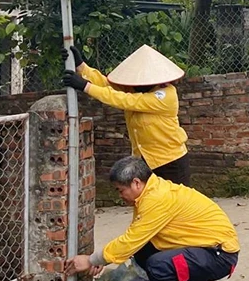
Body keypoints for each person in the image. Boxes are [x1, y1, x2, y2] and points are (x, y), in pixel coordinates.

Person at [65, 156, 239, 281]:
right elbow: (136, 237)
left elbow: (131, 240)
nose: (120, 196)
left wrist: (91, 260)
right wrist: (102, 259)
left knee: (158, 266)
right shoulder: (150, 192)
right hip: (203, 250)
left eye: (121, 190)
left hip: (220, 255)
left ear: (136, 183)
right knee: (142, 250)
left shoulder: (157, 199)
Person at [63, 44, 192, 185]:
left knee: (173, 199)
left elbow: (125, 100)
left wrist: (86, 86)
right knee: (145, 198)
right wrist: (82, 67)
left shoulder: (166, 95)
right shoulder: (135, 88)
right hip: (143, 161)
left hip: (170, 161)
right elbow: (107, 85)